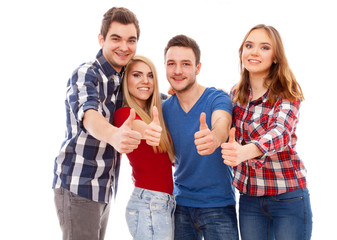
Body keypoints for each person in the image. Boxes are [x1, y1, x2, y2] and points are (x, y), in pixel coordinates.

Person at [52, 7, 142, 240]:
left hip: (103, 188)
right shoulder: (86, 73)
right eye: (116, 38)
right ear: (101, 39)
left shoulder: (123, 78)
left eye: (131, 40)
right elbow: (89, 115)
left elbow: (148, 97)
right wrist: (114, 136)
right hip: (78, 185)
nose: (124, 47)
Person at [221, 24, 312, 240]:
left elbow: (280, 133)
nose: (253, 52)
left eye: (264, 47)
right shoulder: (235, 93)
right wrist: (183, 93)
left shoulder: (287, 92)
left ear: (276, 57)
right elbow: (215, 115)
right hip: (250, 200)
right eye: (249, 45)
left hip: (288, 198)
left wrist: (245, 152)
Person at [162, 35, 239, 240]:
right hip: (180, 206)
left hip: (218, 206)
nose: (178, 71)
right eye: (172, 64)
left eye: (186, 64)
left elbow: (222, 123)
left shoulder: (217, 97)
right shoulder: (163, 109)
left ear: (198, 68)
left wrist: (214, 138)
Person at [113, 55, 176, 240]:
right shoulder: (125, 114)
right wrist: (149, 130)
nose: (145, 81)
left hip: (163, 203)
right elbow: (138, 127)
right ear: (126, 81)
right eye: (137, 75)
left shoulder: (156, 113)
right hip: (149, 204)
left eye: (150, 76)